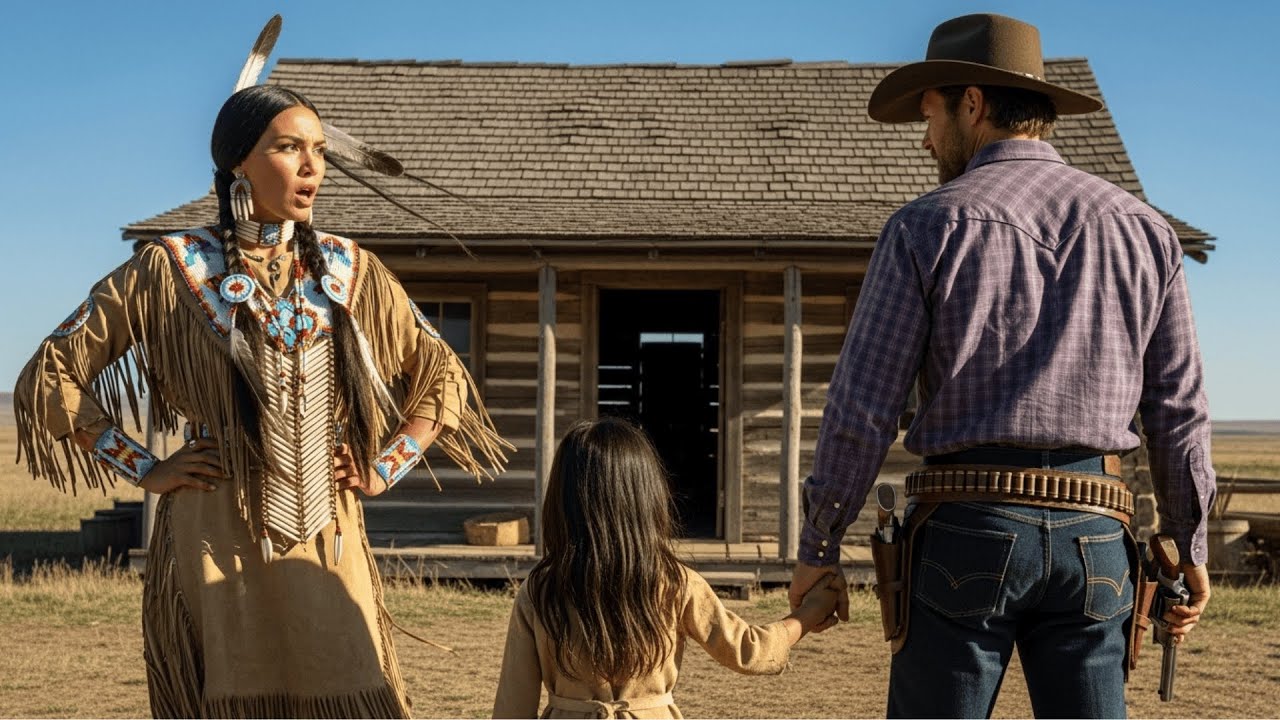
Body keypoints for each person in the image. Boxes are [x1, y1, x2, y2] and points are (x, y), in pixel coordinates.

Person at [14, 81, 509, 717]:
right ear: (239, 163)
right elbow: (51, 373)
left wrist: (385, 466)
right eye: (289, 148)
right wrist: (146, 468)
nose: (311, 167)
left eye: (320, 151)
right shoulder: (174, 267)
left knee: (352, 683)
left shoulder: (349, 269)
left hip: (328, 533)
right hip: (214, 532)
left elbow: (443, 374)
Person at [787, 13, 1214, 719]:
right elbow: (1179, 409)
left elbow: (863, 406)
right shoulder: (1146, 232)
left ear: (973, 104)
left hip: (966, 530)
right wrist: (1189, 544)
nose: (926, 139)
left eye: (930, 115)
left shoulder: (926, 225)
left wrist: (819, 545)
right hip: (1097, 537)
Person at [493, 417, 839, 719]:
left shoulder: (540, 590)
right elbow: (749, 650)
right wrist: (811, 611)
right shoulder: (674, 582)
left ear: (562, 499)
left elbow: (513, 706)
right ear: (646, 497)